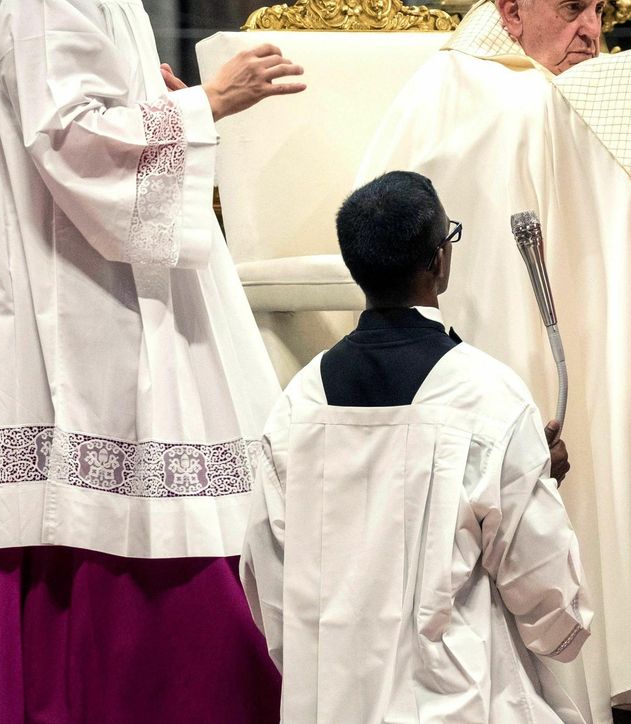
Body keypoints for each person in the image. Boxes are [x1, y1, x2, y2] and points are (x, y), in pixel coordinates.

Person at [0, 0, 306, 721]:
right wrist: (204, 103)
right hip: (80, 322)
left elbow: (104, 123)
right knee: (118, 567)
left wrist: (167, 106)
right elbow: (74, 144)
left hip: (115, 305)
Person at [354, 0, 631, 720]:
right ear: (510, 12)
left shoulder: (569, 78)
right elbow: (535, 123)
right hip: (494, 375)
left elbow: (593, 124)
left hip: (588, 362)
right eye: (570, 10)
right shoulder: (459, 86)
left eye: (602, 8)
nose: (593, 31)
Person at [240, 171, 593, 723]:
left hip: (331, 704)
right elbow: (549, 606)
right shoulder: (487, 395)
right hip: (463, 702)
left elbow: (272, 592)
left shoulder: (296, 404)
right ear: (438, 260)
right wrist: (535, 482)